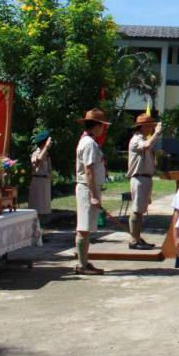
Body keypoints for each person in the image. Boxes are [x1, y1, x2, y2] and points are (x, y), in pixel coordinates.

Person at [74, 108, 110, 276]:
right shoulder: (88, 143)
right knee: (83, 227)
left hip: (88, 187)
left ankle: (84, 262)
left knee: (86, 227)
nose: (103, 129)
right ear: (96, 126)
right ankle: (82, 264)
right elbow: (88, 171)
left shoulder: (89, 141)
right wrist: (94, 196)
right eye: (102, 125)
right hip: (87, 188)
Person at [127, 113, 164, 250]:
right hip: (139, 178)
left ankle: (137, 237)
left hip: (145, 178)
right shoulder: (136, 139)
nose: (151, 128)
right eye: (149, 126)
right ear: (142, 127)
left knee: (141, 210)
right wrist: (157, 133)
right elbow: (147, 145)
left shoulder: (143, 138)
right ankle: (133, 240)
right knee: (137, 210)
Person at [29, 129, 53, 215]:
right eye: (49, 141)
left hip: (45, 182)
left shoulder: (47, 155)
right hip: (38, 182)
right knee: (37, 208)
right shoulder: (36, 153)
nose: (51, 142)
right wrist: (46, 147)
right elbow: (38, 160)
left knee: (45, 209)